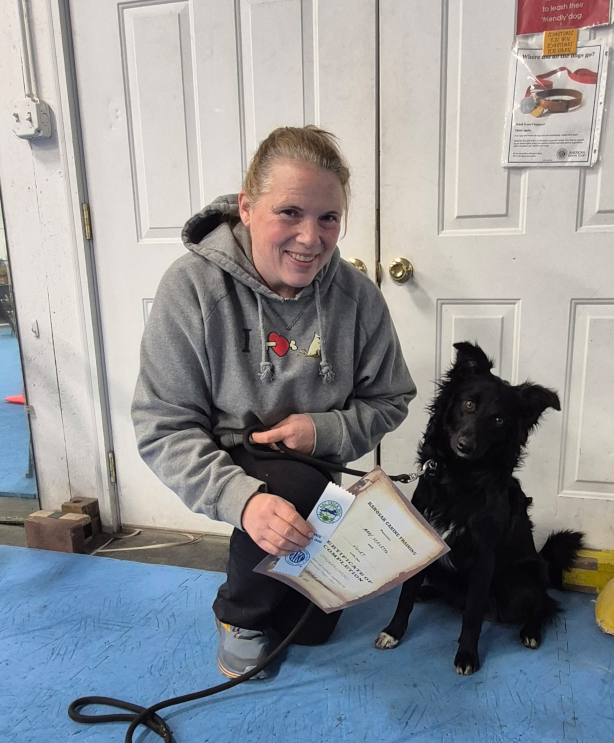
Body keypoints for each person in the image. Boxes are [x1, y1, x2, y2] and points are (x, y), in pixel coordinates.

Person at [132, 126, 416, 678]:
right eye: (290, 212)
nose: (311, 238)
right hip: (235, 459)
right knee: (292, 486)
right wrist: (242, 500)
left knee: (312, 629)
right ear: (246, 207)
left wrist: (324, 432)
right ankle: (238, 615)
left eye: (328, 218)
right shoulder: (191, 288)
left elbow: (391, 398)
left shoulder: (357, 298)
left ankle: (276, 567)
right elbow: (162, 426)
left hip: (316, 462)